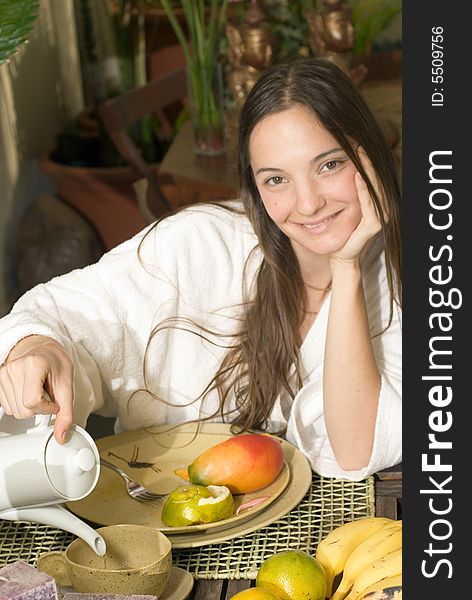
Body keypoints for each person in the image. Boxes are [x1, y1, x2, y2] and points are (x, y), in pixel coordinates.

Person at [0, 57, 401, 481]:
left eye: (329, 165)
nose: (307, 203)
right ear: (254, 187)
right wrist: (34, 346)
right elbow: (57, 311)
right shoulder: (199, 245)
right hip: (156, 512)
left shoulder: (411, 281)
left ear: (368, 157)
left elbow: (357, 450)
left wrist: (347, 267)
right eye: (276, 180)